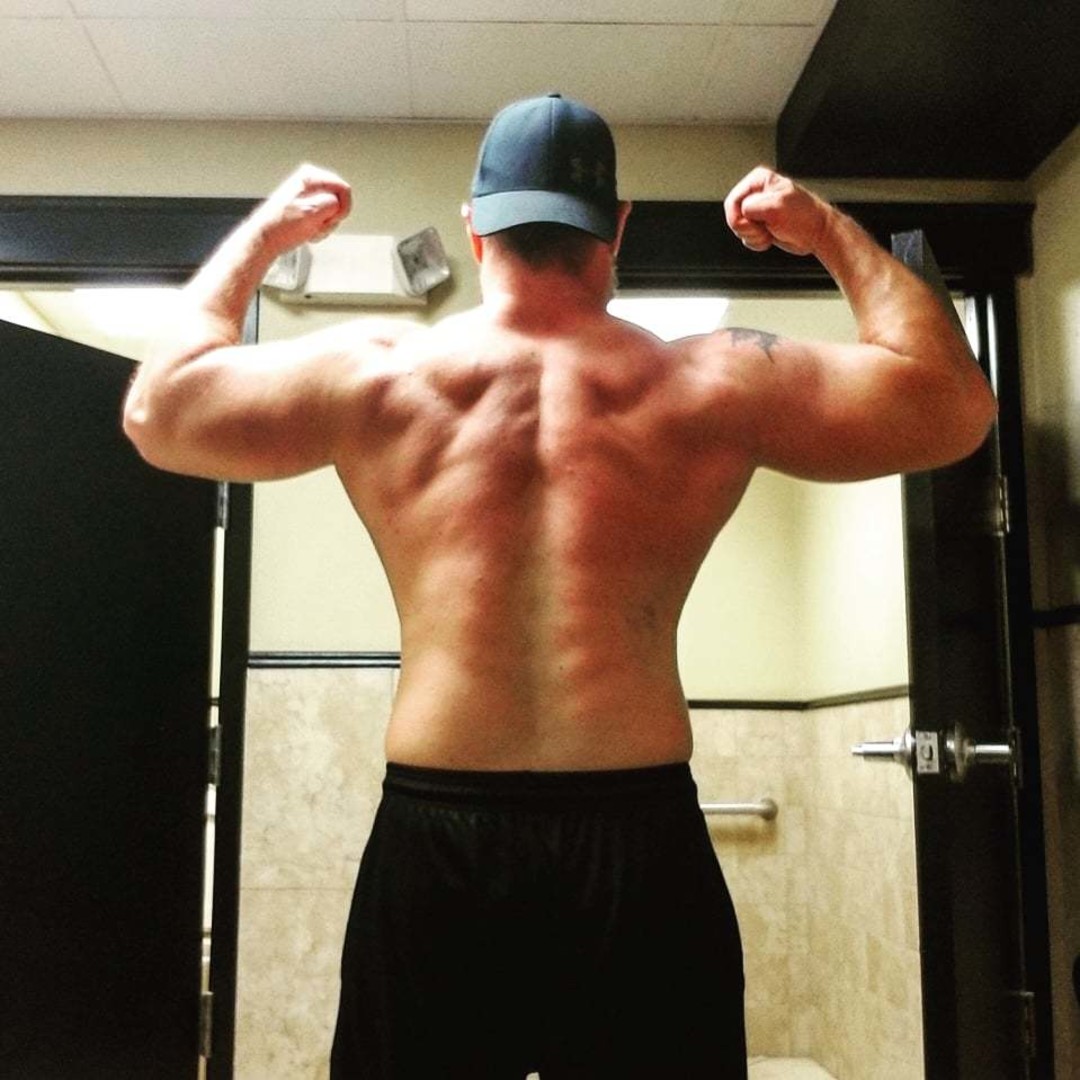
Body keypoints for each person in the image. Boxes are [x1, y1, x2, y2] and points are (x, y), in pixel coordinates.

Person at [123, 93, 996, 1078]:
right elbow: (954, 406)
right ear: (615, 227)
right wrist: (825, 229)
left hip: (437, 841)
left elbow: (158, 410)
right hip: (640, 844)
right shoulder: (715, 381)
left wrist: (264, 235)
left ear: (474, 227)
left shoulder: (378, 374)